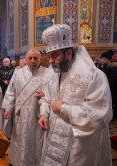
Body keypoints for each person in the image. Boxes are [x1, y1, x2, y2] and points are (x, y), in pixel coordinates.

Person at [38, 24, 112, 166]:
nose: (51, 60)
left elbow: (101, 116)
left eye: (54, 55)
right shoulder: (54, 74)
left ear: (68, 52)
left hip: (78, 146)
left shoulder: (94, 76)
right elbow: (47, 98)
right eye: (49, 56)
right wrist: (43, 114)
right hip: (53, 139)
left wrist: (64, 108)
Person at [2, 49, 51, 166]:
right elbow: (11, 91)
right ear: (26, 59)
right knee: (20, 140)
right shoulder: (18, 73)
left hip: (37, 116)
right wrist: (8, 108)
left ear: (40, 59)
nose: (33, 61)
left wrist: (46, 96)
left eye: (35, 58)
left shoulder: (48, 73)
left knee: (34, 142)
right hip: (20, 115)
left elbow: (54, 93)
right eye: (30, 58)